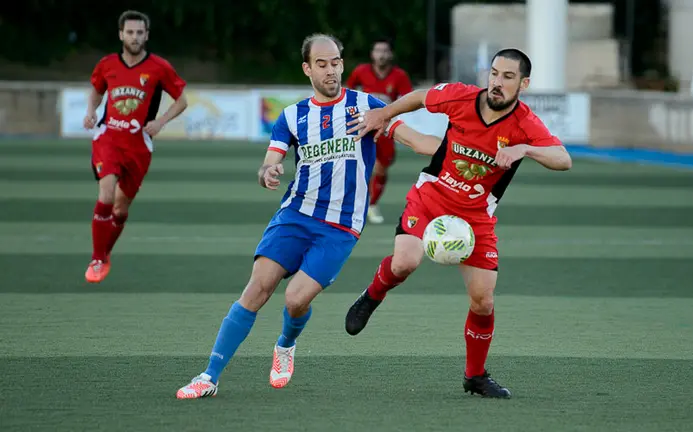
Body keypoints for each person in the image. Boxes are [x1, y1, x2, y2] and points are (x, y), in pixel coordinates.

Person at [175, 33, 435, 399]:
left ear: (343, 64)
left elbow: (417, 140)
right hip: (295, 214)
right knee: (257, 288)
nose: (331, 71)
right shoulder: (292, 116)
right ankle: (209, 376)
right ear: (307, 68)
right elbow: (271, 160)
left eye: (336, 63)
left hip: (340, 227)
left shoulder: (368, 106)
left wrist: (461, 151)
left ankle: (285, 344)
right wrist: (268, 172)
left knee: (295, 301)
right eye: (322, 64)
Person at [344, 48, 573, 398]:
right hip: (431, 197)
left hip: (477, 216)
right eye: (494, 73)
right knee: (405, 261)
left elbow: (563, 159)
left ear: (524, 84)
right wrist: (385, 114)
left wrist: (525, 150)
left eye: (508, 77)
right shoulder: (461, 96)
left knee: (483, 300)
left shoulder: (525, 123)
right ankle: (371, 296)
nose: (497, 82)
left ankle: (475, 376)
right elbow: (420, 97)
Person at [83, 10, 188, 283]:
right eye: (130, 32)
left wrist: (161, 121)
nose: (135, 37)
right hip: (108, 138)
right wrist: (90, 112)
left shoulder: (159, 67)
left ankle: (105, 254)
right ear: (121, 34)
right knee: (106, 194)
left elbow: (181, 100)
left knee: (120, 209)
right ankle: (96, 259)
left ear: (147, 35)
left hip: (138, 146)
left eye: (140, 32)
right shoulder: (107, 64)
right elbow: (96, 89)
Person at [346, 38, 413, 224]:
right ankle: (359, 205)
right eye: (377, 50)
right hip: (362, 126)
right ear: (372, 54)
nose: (381, 54)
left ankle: (372, 203)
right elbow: (346, 92)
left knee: (382, 169)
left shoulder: (399, 76)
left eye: (385, 51)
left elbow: (408, 99)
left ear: (390, 54)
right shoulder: (361, 71)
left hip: (385, 129)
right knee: (362, 167)